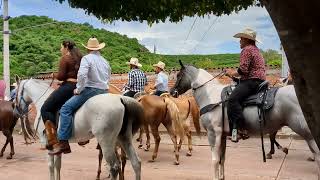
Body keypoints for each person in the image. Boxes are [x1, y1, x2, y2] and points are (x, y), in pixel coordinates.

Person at [49, 37, 111, 155]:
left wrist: (79, 89)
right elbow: (108, 77)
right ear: (98, 48)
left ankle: (63, 142)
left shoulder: (87, 59)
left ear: (88, 48)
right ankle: (94, 139)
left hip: (90, 90)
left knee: (66, 108)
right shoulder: (105, 61)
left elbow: (82, 76)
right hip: (104, 91)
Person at [225, 28, 266, 143]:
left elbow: (243, 70)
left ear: (247, 39)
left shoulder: (247, 50)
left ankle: (242, 129)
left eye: (241, 39)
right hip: (258, 80)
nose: (240, 41)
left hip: (252, 81)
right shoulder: (256, 50)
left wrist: (231, 72)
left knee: (232, 100)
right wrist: (234, 76)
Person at [41, 40, 82, 150]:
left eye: (61, 47)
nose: (60, 50)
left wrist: (54, 75)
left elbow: (61, 75)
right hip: (78, 86)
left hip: (68, 87)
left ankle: (53, 138)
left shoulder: (65, 58)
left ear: (66, 48)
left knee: (45, 108)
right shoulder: (79, 57)